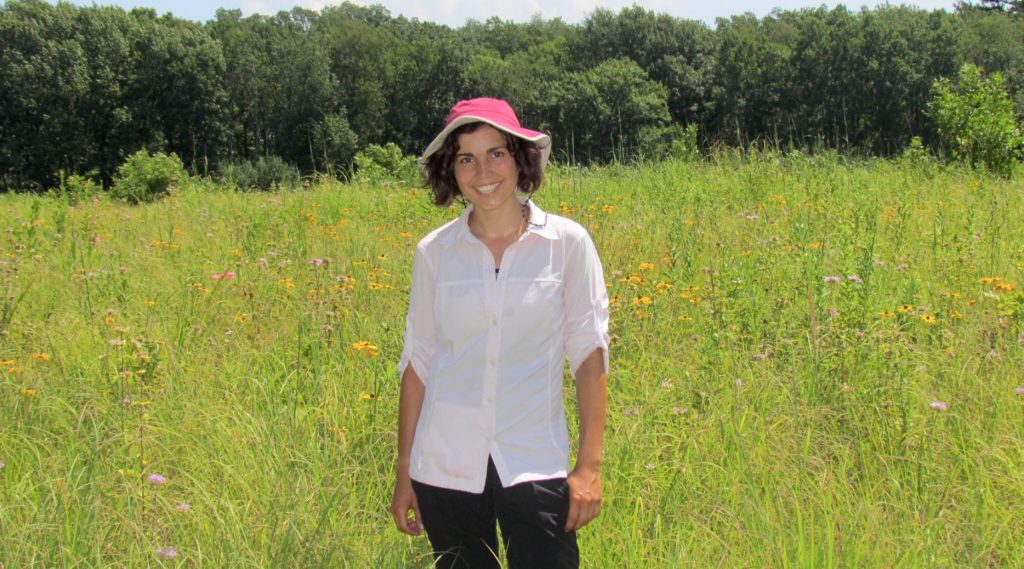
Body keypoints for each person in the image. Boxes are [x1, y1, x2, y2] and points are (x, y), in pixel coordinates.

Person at [390, 97, 610, 569]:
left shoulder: (567, 245)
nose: (482, 170)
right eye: (466, 157)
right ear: (451, 170)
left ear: (520, 159)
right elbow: (419, 362)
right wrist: (405, 470)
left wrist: (589, 467)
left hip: (534, 461)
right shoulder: (435, 253)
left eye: (496, 153)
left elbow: (590, 353)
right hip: (444, 466)